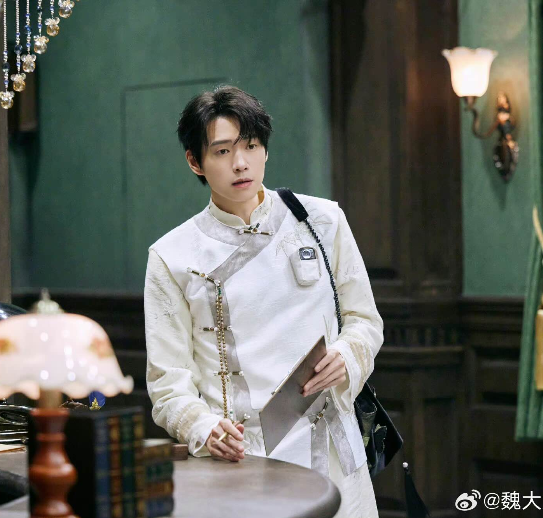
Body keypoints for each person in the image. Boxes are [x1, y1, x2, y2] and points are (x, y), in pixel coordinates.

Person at [144, 85, 383, 517]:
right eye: (222, 151)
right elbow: (167, 382)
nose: (240, 163)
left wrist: (348, 355)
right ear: (195, 161)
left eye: (251, 146)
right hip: (244, 457)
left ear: (265, 150)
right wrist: (203, 427)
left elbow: (364, 320)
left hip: (334, 444)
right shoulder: (172, 256)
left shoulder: (321, 220)